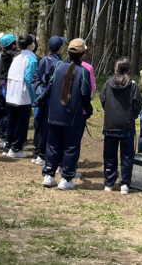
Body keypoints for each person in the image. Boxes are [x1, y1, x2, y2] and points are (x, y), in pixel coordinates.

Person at [38, 38, 93, 191]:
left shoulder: (58, 67)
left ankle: (48, 175)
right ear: (82, 55)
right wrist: (88, 111)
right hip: (72, 116)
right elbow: (85, 94)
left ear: (68, 52)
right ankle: (66, 178)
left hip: (54, 113)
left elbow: (49, 87)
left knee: (53, 144)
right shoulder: (83, 72)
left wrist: (40, 100)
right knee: (71, 147)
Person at [99, 57, 142, 195]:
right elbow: (138, 104)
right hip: (127, 126)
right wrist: (132, 116)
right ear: (128, 70)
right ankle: (125, 184)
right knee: (127, 156)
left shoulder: (108, 83)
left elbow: (102, 98)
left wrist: (109, 112)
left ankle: (109, 183)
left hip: (110, 125)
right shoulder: (133, 85)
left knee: (109, 155)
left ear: (116, 69)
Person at [4, 34, 39, 158]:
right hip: (22, 96)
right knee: (21, 123)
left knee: (11, 121)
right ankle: (16, 148)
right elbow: (29, 80)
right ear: (31, 45)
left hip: (11, 94)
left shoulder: (17, 57)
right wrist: (34, 98)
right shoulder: (32, 59)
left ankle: (8, 145)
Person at [31, 35, 65, 165]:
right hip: (50, 99)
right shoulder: (59, 64)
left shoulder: (44, 59)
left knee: (39, 124)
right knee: (47, 127)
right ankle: (43, 154)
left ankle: (38, 152)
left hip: (41, 97)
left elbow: (37, 77)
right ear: (60, 48)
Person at [0, 33, 18, 148]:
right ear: (12, 45)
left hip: (3, 84)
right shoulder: (8, 54)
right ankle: (1, 134)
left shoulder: (5, 54)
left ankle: (0, 134)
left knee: (4, 110)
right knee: (7, 111)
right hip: (6, 85)